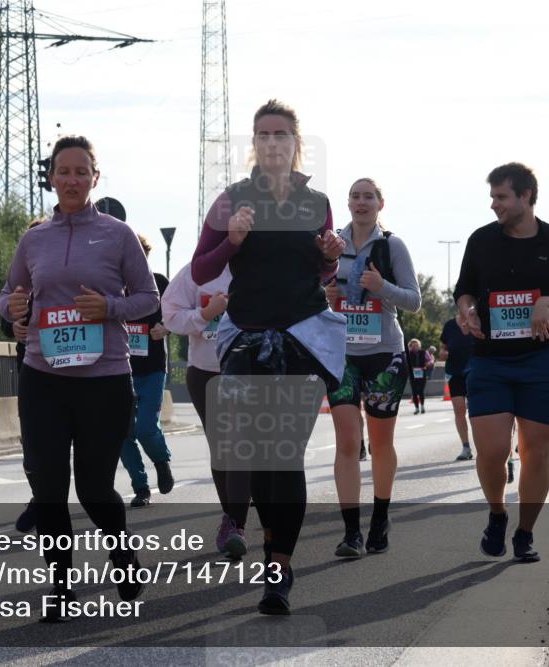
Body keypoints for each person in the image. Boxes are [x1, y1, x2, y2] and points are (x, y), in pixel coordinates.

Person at [192, 99, 346, 614]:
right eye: (262, 134)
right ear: (253, 144)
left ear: (295, 142)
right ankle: (252, 533)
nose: (272, 142)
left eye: (281, 134)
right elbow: (199, 271)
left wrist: (329, 257)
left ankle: (278, 568)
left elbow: (321, 275)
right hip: (249, 337)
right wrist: (232, 240)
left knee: (285, 458)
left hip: (301, 337)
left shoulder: (317, 201)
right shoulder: (231, 199)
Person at [0, 135, 158, 621]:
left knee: (93, 488)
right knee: (49, 487)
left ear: (95, 178)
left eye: (80, 171)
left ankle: (122, 555)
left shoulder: (117, 235)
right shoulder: (35, 238)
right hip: (43, 377)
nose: (71, 179)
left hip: (104, 379)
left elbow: (149, 298)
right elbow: (8, 295)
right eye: (62, 171)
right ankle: (61, 585)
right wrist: (16, 311)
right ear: (51, 176)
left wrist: (108, 307)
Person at [454, 162, 549, 563]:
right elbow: (464, 291)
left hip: (540, 361)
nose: (494, 204)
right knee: (493, 451)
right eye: (493, 196)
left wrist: (548, 302)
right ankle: (497, 513)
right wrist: (468, 311)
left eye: (501, 196)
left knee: (535, 451)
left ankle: (525, 533)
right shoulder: (480, 241)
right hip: (490, 362)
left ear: (526, 196)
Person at [325, 177, 421, 558]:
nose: (361, 202)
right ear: (347, 203)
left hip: (384, 353)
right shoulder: (332, 244)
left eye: (369, 197)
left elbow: (414, 301)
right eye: (355, 196)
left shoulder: (392, 246)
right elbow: (311, 295)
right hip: (342, 352)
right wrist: (326, 295)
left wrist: (381, 286)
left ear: (381, 204)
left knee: (380, 444)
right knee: (348, 441)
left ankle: (380, 516)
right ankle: (351, 532)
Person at [161, 260, 237, 552]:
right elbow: (170, 314)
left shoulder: (263, 261)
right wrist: (205, 314)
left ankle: (251, 509)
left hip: (252, 371)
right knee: (223, 448)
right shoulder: (199, 271)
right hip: (206, 372)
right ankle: (232, 521)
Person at [120, 234, 174, 507]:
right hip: (120, 370)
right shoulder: (113, 285)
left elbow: (177, 313)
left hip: (152, 368)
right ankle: (141, 486)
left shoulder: (160, 282)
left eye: (138, 254)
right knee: (122, 433)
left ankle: (161, 462)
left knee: (145, 428)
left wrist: (165, 326)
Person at [2, 218, 45, 534]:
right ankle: (40, 499)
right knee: (33, 445)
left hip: (83, 374)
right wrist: (14, 326)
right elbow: (7, 315)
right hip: (32, 371)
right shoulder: (20, 282)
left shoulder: (69, 276)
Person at [440, 317, 476, 461]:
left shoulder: (479, 319)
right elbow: (443, 346)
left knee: (477, 411)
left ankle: (483, 444)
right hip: (455, 372)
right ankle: (466, 447)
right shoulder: (449, 325)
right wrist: (442, 353)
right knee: (459, 409)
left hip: (476, 370)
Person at [406, 338, 433, 413]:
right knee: (414, 392)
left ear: (419, 345)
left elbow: (430, 361)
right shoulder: (408, 353)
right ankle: (416, 408)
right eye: (413, 346)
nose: (415, 347)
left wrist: (428, 364)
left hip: (422, 373)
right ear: (410, 346)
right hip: (412, 374)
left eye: (416, 345)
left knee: (421, 391)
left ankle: (422, 407)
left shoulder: (424, 352)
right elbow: (405, 361)